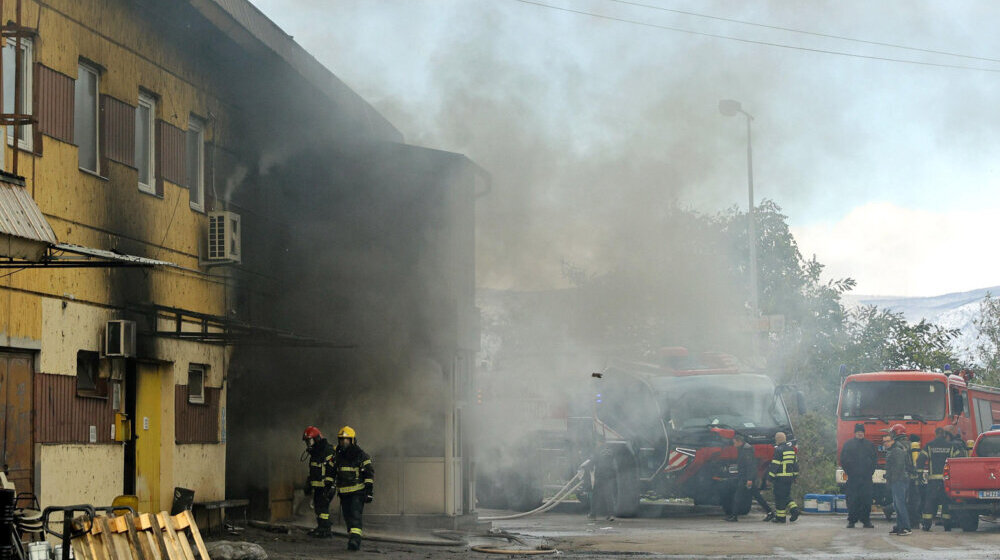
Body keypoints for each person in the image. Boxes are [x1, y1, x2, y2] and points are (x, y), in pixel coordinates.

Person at [332, 426, 374, 551]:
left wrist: (369, 491)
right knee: (348, 518)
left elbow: (369, 473)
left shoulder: (361, 455)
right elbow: (332, 471)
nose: (344, 443)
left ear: (353, 441)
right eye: (341, 440)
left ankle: (355, 541)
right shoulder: (337, 456)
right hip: (344, 493)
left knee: (355, 515)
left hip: (357, 492)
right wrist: (330, 486)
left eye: (347, 440)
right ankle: (352, 537)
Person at [919, 425, 964, 531]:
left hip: (933, 480)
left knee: (930, 501)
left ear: (935, 434)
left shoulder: (929, 445)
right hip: (946, 480)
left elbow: (920, 459)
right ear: (944, 434)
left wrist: (919, 474)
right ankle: (947, 525)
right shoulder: (951, 446)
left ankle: (926, 525)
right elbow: (958, 460)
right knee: (946, 501)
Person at [839, 423, 876, 528]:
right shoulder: (848, 445)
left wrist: (870, 472)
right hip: (853, 478)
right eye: (858, 432)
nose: (860, 434)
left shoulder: (869, 445)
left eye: (862, 432)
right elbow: (843, 460)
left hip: (866, 479)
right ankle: (852, 521)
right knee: (852, 500)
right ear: (855, 433)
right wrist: (849, 472)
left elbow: (874, 460)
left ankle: (866, 521)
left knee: (867, 500)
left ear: (864, 433)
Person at [302, 426, 335, 537]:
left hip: (326, 486)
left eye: (309, 441)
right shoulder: (315, 453)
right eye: (307, 441)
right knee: (318, 507)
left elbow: (332, 469)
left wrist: (330, 485)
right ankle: (322, 527)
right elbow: (314, 471)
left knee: (322, 507)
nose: (308, 444)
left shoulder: (327, 450)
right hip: (318, 486)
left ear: (316, 439)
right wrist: (309, 484)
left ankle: (325, 530)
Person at [725, 432, 761, 522]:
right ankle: (770, 512)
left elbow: (750, 466)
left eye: (734, 443)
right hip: (744, 477)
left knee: (738, 497)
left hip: (746, 478)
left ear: (739, 441)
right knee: (756, 496)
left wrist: (749, 479)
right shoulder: (743, 449)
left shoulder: (746, 450)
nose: (734, 445)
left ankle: (734, 516)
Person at [884, 424, 913, 536]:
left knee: (900, 504)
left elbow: (898, 466)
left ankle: (906, 527)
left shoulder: (897, 449)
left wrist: (892, 480)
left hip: (899, 480)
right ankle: (900, 526)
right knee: (897, 504)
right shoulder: (903, 445)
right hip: (901, 479)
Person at [768, 432, 799, 523]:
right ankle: (794, 509)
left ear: (777, 440)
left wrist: (769, 478)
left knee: (779, 497)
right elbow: (795, 465)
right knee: (786, 495)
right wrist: (795, 476)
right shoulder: (791, 449)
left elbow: (775, 465)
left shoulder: (778, 450)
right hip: (789, 478)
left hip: (780, 478)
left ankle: (781, 518)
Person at [907, 433, 925, 525]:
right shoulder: (915, 450)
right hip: (915, 480)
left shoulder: (906, 449)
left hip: (908, 479)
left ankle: (913, 520)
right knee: (915, 501)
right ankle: (915, 520)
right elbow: (917, 465)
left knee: (910, 500)